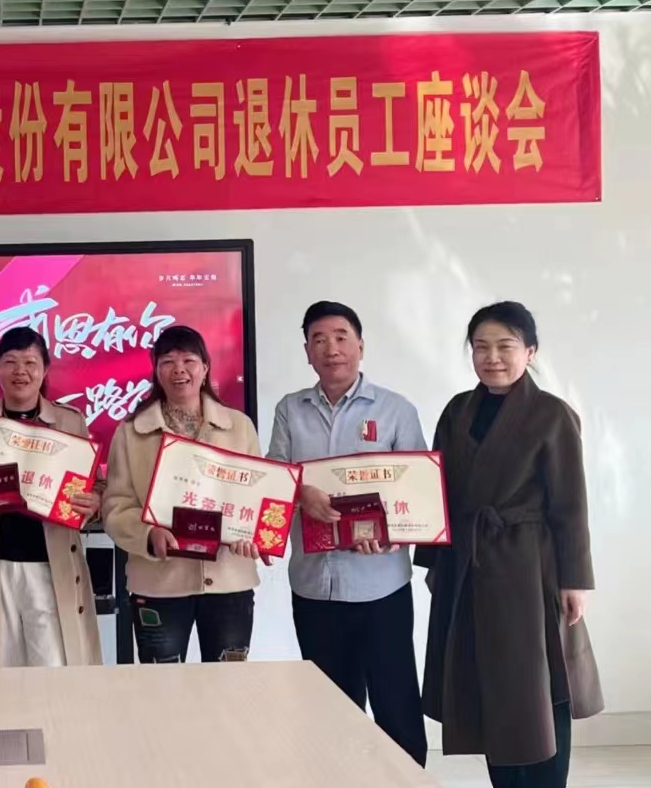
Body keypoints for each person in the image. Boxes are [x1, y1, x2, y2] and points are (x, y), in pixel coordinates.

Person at [417, 302, 603, 788]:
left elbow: (571, 503)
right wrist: (435, 561)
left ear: (530, 351)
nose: (492, 357)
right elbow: (436, 487)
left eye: (505, 346)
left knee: (539, 682)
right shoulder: (458, 411)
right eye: (481, 347)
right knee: (488, 684)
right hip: (470, 565)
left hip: (529, 567)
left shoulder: (552, 415)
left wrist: (574, 580)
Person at [267, 301, 428, 767]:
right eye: (319, 340)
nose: (331, 348)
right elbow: (274, 478)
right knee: (330, 709)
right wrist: (301, 494)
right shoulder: (289, 410)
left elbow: (417, 490)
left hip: (381, 586)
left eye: (341, 337)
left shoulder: (396, 409)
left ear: (360, 345)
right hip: (314, 586)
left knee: (396, 703)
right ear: (307, 352)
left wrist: (392, 532)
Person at [101, 325, 265, 664]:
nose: (179, 370)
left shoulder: (239, 427)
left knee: (229, 684)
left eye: (189, 360)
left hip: (228, 580)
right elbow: (115, 506)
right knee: (163, 687)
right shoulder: (131, 432)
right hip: (159, 583)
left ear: (204, 368)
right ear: (156, 370)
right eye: (168, 362)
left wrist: (252, 534)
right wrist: (148, 534)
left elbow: (257, 497)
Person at [0, 327, 103, 669]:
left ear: (45, 370)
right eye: (10, 361)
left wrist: (94, 503)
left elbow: (96, 488)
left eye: (30, 362)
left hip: (52, 566)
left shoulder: (70, 422)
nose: (21, 371)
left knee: (54, 671)